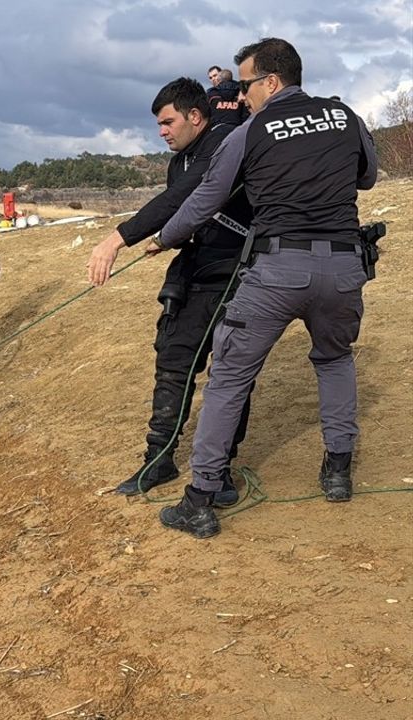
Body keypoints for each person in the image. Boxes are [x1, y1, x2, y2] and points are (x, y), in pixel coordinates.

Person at [150, 37, 378, 538]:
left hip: (277, 270)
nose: (239, 95)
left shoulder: (249, 131)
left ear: (271, 82)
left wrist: (164, 238)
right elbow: (368, 177)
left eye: (245, 85)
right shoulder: (346, 116)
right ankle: (338, 473)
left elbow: (205, 199)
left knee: (229, 377)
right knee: (335, 360)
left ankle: (200, 498)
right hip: (344, 267)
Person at [86, 77, 253, 505]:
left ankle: (220, 469)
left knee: (229, 373)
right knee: (173, 361)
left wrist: (117, 239)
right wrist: (166, 241)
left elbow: (183, 196)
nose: (161, 131)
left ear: (195, 116)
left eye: (167, 122)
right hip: (194, 270)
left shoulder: (224, 142)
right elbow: (179, 207)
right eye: (159, 124)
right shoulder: (179, 160)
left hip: (235, 270)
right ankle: (159, 458)